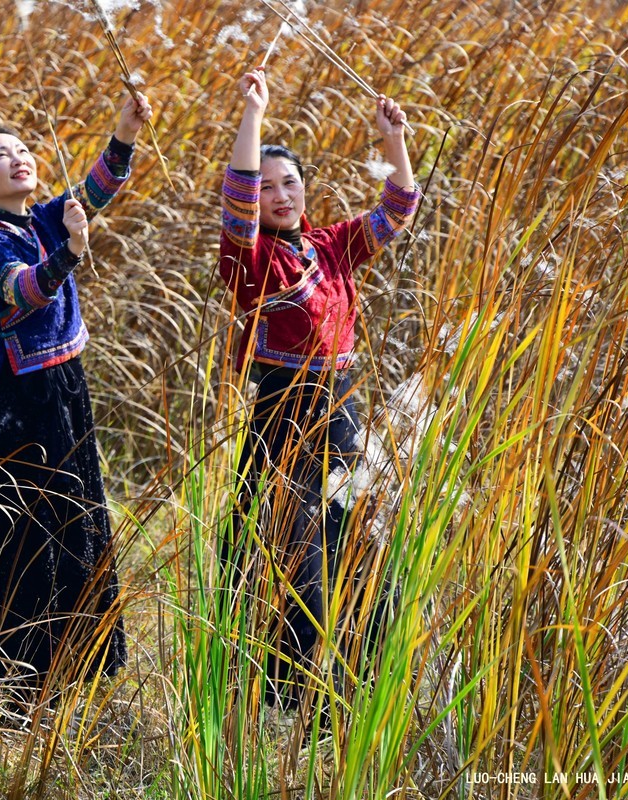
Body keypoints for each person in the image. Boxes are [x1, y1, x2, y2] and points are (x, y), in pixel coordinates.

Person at [219, 66, 420, 709]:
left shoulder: (330, 246)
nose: (281, 195)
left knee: (363, 555)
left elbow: (398, 206)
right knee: (290, 556)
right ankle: (290, 699)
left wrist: (394, 142)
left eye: (292, 183)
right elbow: (240, 198)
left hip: (344, 417)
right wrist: (253, 117)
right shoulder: (249, 260)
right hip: (283, 420)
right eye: (270, 186)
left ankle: (359, 697)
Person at [0, 91, 153, 717]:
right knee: (26, 540)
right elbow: (25, 291)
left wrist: (125, 128)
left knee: (77, 524)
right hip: (22, 407)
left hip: (66, 391)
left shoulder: (41, 218)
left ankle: (72, 673)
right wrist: (70, 253)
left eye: (24, 151)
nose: (20, 160)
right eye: (2, 157)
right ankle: (18, 685)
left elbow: (96, 189)